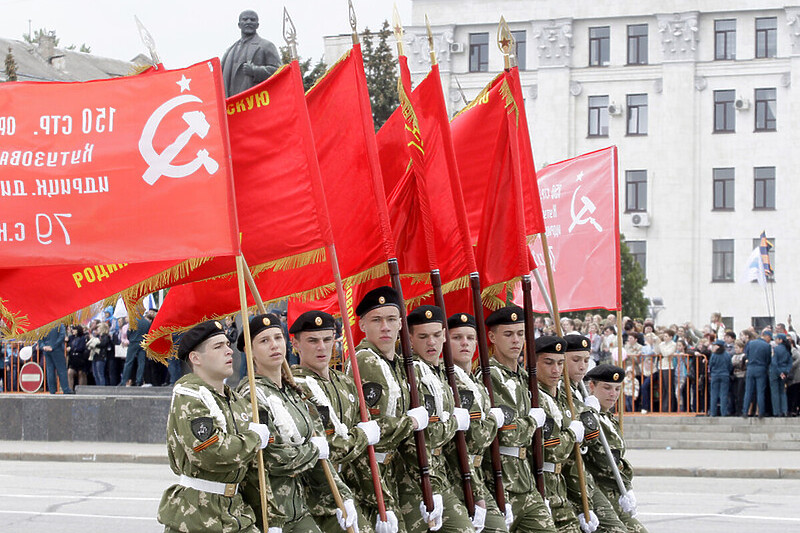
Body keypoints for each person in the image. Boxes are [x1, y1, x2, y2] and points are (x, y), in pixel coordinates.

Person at [237, 313, 353, 533]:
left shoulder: (293, 392)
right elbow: (270, 458)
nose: (274, 345)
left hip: (299, 508)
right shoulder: (251, 397)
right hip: (271, 514)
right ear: (249, 352)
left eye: (278, 338)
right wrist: (313, 451)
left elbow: (320, 447)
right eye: (264, 341)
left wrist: (343, 496)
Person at [157, 320, 271, 533]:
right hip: (197, 515)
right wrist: (253, 438)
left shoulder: (237, 401)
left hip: (236, 512)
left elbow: (254, 466)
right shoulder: (189, 395)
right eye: (218, 346)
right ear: (195, 358)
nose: (229, 351)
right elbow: (211, 452)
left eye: (228, 344)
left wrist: (271, 518)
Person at [346, 287, 433, 533]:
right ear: (362, 324)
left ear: (401, 324)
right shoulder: (365, 361)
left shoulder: (395, 364)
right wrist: (411, 422)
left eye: (391, 319)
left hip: (397, 472)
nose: (385, 326)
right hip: (371, 477)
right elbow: (372, 433)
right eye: (377, 319)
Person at [290, 310, 380, 533]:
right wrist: (362, 436)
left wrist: (380, 499)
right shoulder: (295, 387)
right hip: (318, 497)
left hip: (353, 489)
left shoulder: (345, 382)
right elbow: (329, 447)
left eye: (327, 339)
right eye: (312, 340)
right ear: (296, 344)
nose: (321, 347)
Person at [398, 305, 474, 533]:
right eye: (423, 336)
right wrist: (453, 423)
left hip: (444, 473)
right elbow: (425, 435)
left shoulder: (442, 372)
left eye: (436, 335)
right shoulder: (411, 373)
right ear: (410, 338)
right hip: (416, 476)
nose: (431, 342)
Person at [481, 306, 554, 533]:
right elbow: (508, 433)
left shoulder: (524, 377)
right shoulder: (489, 376)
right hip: (500, 481)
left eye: (521, 334)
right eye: (508, 334)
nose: (516, 340)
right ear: (492, 337)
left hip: (525, 481)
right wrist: (532, 422)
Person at [446, 312, 511, 533]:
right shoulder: (452, 382)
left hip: (479, 474)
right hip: (458, 475)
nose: (465, 343)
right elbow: (475, 437)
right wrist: (494, 420)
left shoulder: (473, 380)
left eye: (470, 338)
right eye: (457, 338)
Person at [560, 335, 619, 533]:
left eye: (586, 360)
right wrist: (591, 412)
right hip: (568, 481)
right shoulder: (559, 391)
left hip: (586, 481)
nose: (582, 366)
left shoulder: (580, 391)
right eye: (575, 360)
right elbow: (587, 436)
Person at [583, 365, 648, 533]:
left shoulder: (608, 418)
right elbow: (603, 459)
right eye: (607, 388)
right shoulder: (588, 416)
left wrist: (627, 488)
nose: (613, 394)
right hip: (597, 489)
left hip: (615, 490)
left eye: (617, 389)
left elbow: (618, 457)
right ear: (592, 386)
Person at [534, 335, 586, 533]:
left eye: (560, 363)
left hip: (560, 487)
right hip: (540, 486)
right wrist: (571, 435)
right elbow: (551, 449)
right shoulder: (533, 397)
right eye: (548, 363)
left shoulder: (565, 398)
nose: (556, 370)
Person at [221, 10, 281, 97]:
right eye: (245, 19)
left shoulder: (266, 45)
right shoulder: (230, 51)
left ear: (257, 25)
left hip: (255, 101)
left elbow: (279, 72)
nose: (249, 22)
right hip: (232, 104)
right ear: (239, 24)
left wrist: (255, 70)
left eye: (252, 20)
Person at [742, 330, 772, 417]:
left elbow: (746, 355)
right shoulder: (767, 346)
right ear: (767, 336)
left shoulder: (750, 343)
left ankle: (745, 411)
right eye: (770, 338)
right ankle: (760, 412)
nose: (770, 340)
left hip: (750, 368)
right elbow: (768, 359)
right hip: (761, 368)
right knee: (760, 391)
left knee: (748, 391)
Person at [120, 311, 153, 386]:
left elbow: (128, 333)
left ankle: (124, 380)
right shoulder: (147, 322)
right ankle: (139, 380)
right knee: (141, 363)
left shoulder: (133, 322)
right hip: (142, 343)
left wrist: (131, 339)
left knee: (129, 362)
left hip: (133, 343)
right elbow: (149, 333)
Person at [38, 324, 72, 394]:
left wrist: (43, 346)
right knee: (61, 370)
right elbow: (62, 336)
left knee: (50, 370)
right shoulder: (59, 324)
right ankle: (65, 389)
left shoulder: (43, 325)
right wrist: (53, 346)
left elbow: (39, 338)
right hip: (57, 349)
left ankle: (52, 390)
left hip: (46, 350)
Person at [769, 333, 793, 417]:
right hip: (784, 372)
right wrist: (785, 372)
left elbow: (774, 362)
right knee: (782, 392)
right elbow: (790, 363)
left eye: (776, 339)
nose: (775, 340)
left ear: (780, 340)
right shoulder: (788, 349)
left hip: (775, 372)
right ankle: (784, 410)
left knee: (775, 392)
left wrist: (779, 372)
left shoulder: (776, 349)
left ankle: (776, 411)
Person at [708, 340, 732, 417]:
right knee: (724, 394)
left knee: (714, 394)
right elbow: (730, 366)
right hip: (725, 375)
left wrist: (712, 373)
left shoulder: (714, 355)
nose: (713, 347)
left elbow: (710, 365)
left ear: (718, 346)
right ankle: (723, 412)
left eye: (715, 345)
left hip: (715, 375)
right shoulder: (727, 355)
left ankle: (713, 412)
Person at [67, 325, 90, 391]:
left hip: (80, 358)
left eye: (74, 329)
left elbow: (82, 347)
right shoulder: (71, 338)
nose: (72, 331)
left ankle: (81, 390)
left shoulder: (83, 338)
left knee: (81, 373)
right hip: (72, 358)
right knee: (70, 372)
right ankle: (70, 389)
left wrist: (72, 348)